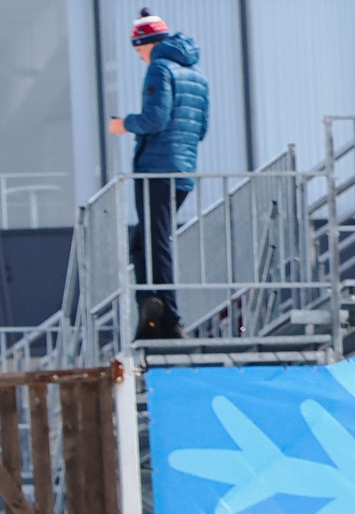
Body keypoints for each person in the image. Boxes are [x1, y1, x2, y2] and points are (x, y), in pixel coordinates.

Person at [108, 9, 210, 341]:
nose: (139, 57)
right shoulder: (196, 76)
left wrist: (124, 125)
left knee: (155, 243)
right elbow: (201, 129)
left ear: (147, 43)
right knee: (144, 242)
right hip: (182, 170)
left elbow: (154, 119)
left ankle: (169, 319)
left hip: (156, 169)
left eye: (138, 50)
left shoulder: (159, 69)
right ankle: (151, 308)